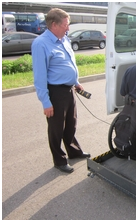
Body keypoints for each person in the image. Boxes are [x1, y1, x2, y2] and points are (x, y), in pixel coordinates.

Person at [32, 8, 90, 173]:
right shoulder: (41, 44)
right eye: (65, 25)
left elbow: (68, 64)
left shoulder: (64, 40)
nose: (68, 28)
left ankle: (73, 151)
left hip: (69, 89)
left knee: (71, 123)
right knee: (57, 128)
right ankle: (59, 160)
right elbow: (40, 76)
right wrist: (45, 102)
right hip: (55, 92)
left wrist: (76, 82)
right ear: (53, 24)